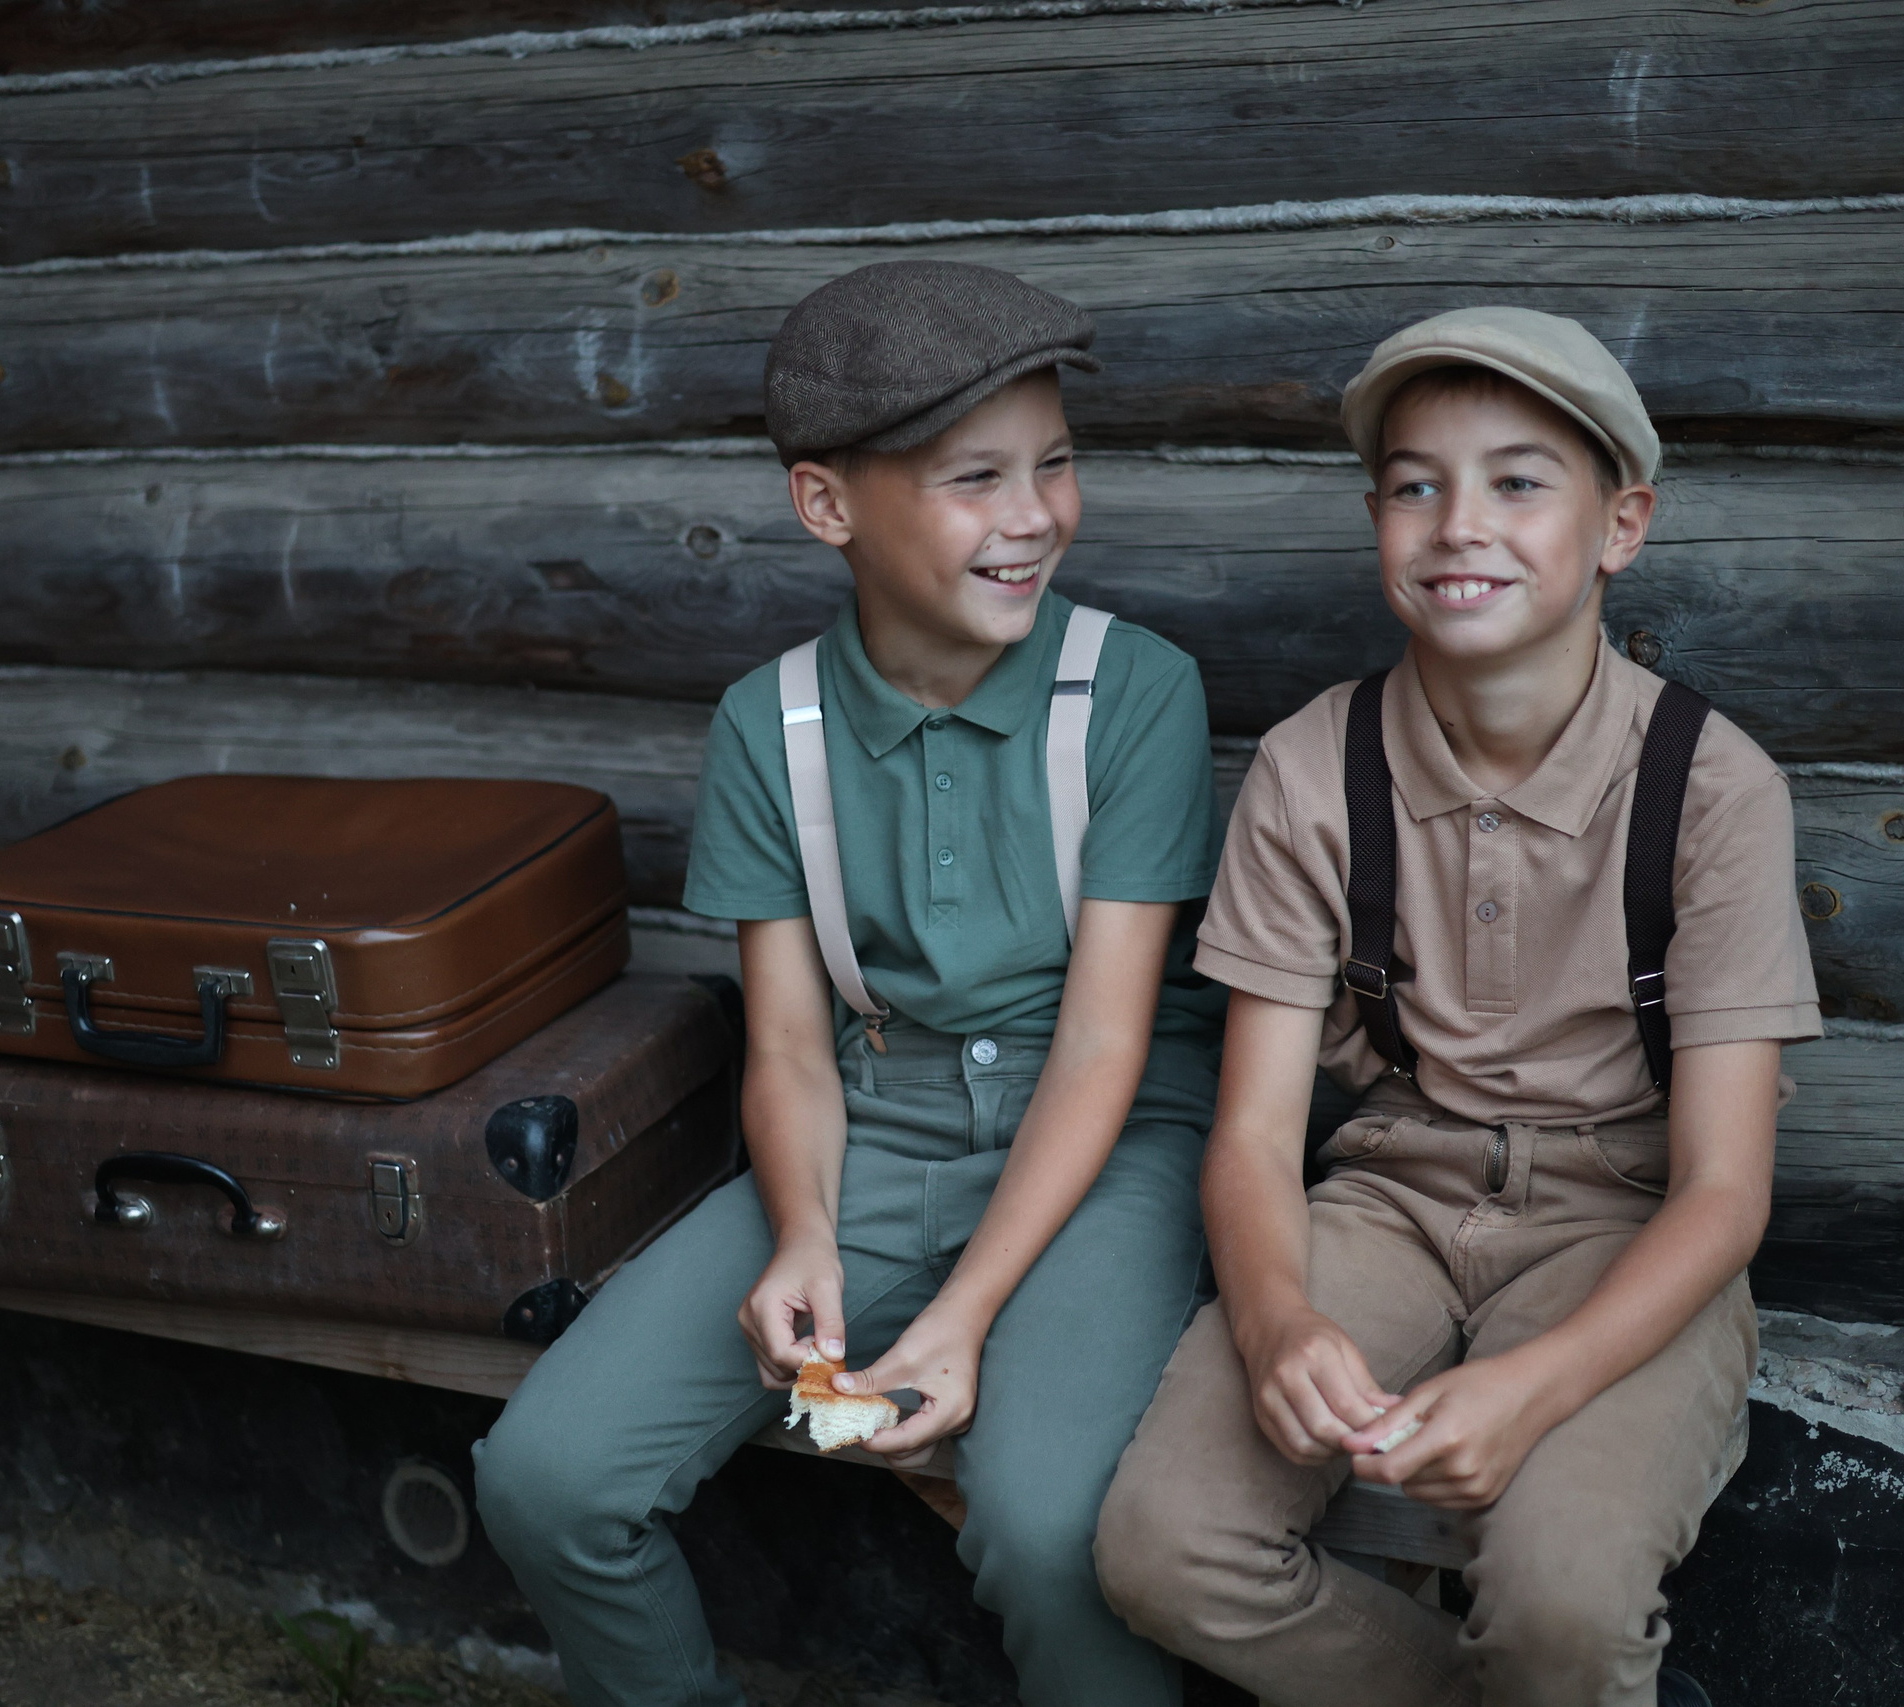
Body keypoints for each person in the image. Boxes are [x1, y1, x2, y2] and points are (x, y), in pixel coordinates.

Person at [474, 260, 1226, 1707]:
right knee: (549, 1478)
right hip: (874, 1131)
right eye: (975, 478)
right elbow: (789, 1049)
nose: (1033, 515)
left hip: (1109, 1142)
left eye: (1054, 464)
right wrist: (804, 1237)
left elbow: (1104, 1047)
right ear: (828, 506)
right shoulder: (772, 727)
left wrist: (965, 1315)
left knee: (1051, 1533)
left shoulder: (1132, 694)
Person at [1095, 306, 1820, 1707]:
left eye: (1518, 482)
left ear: (1621, 526)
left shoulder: (1713, 788)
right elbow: (1254, 1138)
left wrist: (1531, 1387)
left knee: (1561, 1610)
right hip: (1388, 1206)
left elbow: (1726, 1194)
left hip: (1627, 1230)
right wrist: (1278, 1323)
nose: (1458, 526)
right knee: (1168, 1548)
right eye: (1416, 486)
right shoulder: (1312, 771)